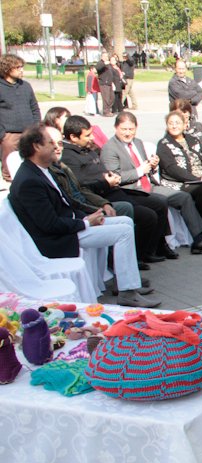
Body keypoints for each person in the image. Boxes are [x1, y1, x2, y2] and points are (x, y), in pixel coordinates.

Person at [8, 124, 159, 307]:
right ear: (36, 146)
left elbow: (67, 204)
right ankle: (127, 293)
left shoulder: (43, 171)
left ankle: (128, 283)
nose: (57, 147)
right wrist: (86, 222)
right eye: (50, 143)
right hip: (58, 238)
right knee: (123, 232)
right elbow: (49, 225)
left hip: (71, 226)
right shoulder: (29, 181)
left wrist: (93, 214)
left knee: (125, 221)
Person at [102, 112, 202, 257]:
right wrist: (139, 171)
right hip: (131, 190)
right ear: (115, 128)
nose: (127, 133)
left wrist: (152, 164)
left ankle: (199, 240)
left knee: (183, 197)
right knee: (160, 202)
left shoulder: (137, 143)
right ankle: (158, 245)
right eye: (124, 129)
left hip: (149, 185)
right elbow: (115, 177)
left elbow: (146, 168)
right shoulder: (110, 148)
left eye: (131, 129)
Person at [61, 115, 168, 266]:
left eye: (131, 129)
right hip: (103, 196)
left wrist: (110, 178)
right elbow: (82, 185)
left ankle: (152, 250)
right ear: (73, 137)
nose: (92, 138)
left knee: (159, 203)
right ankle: (132, 259)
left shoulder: (88, 149)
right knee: (146, 215)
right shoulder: (69, 157)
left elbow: (100, 171)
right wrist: (106, 183)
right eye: (87, 135)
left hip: (114, 190)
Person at [156, 111, 202, 251]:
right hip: (179, 182)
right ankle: (201, 237)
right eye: (170, 123)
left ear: (185, 125)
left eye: (177, 123)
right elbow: (172, 169)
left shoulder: (192, 139)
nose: (174, 126)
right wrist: (200, 179)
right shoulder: (163, 144)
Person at [0, 54, 41, 187]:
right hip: (9, 134)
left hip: (29, 131)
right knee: (9, 166)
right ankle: (10, 183)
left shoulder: (26, 86)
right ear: (7, 69)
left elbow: (34, 107)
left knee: (32, 160)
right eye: (17, 67)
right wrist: (2, 134)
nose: (21, 70)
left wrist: (36, 126)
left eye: (22, 67)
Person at [95, 52, 116, 116]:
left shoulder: (108, 64)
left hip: (109, 83)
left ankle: (108, 109)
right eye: (104, 56)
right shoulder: (100, 63)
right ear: (102, 57)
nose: (106, 57)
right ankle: (105, 111)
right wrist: (104, 64)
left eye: (107, 56)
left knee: (112, 97)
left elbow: (112, 72)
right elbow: (98, 68)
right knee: (106, 98)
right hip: (104, 83)